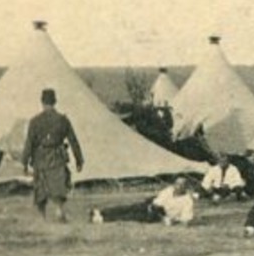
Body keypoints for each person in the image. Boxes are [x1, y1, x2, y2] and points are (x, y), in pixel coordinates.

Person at [22, 88, 84, 222]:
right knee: (59, 186)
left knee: (41, 189)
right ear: (55, 102)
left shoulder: (35, 122)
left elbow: (29, 143)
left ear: (42, 102)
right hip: (57, 158)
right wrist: (79, 160)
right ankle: (59, 210)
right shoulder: (62, 120)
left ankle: (42, 218)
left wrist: (24, 163)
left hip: (40, 159)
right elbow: (73, 140)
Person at [91, 176, 198, 226]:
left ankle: (102, 219)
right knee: (128, 208)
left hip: (160, 215)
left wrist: (171, 221)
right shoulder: (169, 190)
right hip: (152, 206)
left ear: (186, 187)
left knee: (131, 217)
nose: (177, 187)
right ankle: (101, 212)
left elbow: (185, 219)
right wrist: (151, 205)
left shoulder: (187, 200)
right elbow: (158, 199)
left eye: (181, 185)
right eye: (176, 184)